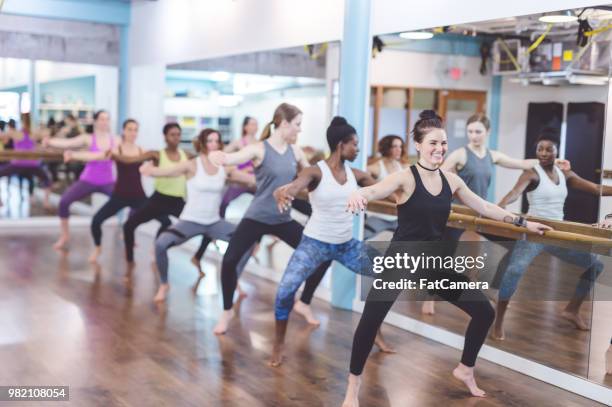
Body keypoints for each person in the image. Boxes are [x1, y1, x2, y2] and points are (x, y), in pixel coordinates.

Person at [341, 110, 551, 405]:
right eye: (433, 143)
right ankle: (353, 387)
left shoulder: (451, 181)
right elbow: (374, 190)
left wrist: (524, 223)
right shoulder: (405, 178)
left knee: (484, 312)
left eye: (443, 143)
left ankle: (465, 369)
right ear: (418, 145)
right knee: (370, 321)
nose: (439, 149)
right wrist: (358, 194)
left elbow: (485, 208)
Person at [268, 116, 394, 367]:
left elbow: (386, 190)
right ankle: (278, 344)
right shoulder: (315, 171)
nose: (358, 149)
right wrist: (285, 191)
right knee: (284, 292)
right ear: (340, 145)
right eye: (354, 144)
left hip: (346, 245)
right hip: (314, 243)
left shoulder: (356, 174)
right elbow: (296, 186)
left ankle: (375, 332)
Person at [422, 113, 570, 315]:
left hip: (482, 211)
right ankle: (428, 298)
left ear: (487, 132)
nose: (473, 136)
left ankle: (493, 288)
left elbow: (520, 163)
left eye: (478, 132)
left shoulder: (492, 155)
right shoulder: (459, 154)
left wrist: (553, 160)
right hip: (458, 213)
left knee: (513, 244)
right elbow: (437, 175)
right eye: (470, 131)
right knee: (444, 255)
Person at [209, 103, 331, 335]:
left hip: (283, 219)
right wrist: (221, 156)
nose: (299, 130)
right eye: (297, 125)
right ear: (284, 124)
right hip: (257, 217)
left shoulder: (295, 151)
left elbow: (312, 176)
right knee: (229, 261)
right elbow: (234, 157)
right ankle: (226, 310)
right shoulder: (259, 149)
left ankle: (303, 303)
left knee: (323, 256)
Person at [492, 130, 610, 339]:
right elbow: (514, 193)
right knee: (515, 269)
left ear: (557, 151)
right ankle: (498, 321)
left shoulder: (565, 174)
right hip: (534, 234)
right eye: (540, 149)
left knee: (596, 264)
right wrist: (499, 208)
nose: (544, 153)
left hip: (557, 234)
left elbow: (596, 188)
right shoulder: (531, 173)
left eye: (549, 149)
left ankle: (572, 310)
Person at [141, 128, 256, 302]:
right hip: (190, 221)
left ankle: (234, 280)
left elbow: (250, 179)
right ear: (202, 143)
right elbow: (167, 172)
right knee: (161, 244)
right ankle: (164, 284)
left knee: (249, 242)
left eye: (216, 141)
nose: (213, 144)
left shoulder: (224, 167)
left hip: (214, 223)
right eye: (210, 141)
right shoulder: (192, 164)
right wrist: (149, 170)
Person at [63, 119, 147, 263]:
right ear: (123, 131)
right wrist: (73, 155)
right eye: (130, 129)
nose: (133, 133)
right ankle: (98, 248)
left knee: (164, 221)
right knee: (96, 221)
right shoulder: (116, 150)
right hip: (120, 195)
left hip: (139, 196)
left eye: (135, 130)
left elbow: (158, 161)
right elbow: (94, 156)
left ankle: (152, 249)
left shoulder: (142, 151)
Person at [43, 110, 120, 250]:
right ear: (96, 121)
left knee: (129, 201)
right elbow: (68, 143)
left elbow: (114, 155)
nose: (104, 122)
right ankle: (65, 235)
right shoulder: (88, 138)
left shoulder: (116, 140)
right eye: (102, 119)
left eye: (107, 119)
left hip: (108, 182)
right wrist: (50, 141)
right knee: (64, 202)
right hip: (88, 180)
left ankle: (126, 231)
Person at [120, 122, 188, 264]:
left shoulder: (186, 155)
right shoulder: (157, 155)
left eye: (178, 134)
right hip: (158, 200)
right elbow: (132, 159)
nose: (176, 138)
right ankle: (129, 260)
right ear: (165, 137)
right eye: (172, 135)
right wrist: (114, 155)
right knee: (129, 225)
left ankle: (158, 248)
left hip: (178, 201)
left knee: (203, 227)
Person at [0, 113, 52, 208]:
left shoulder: (15, 133)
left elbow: (3, 137)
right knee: (47, 179)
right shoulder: (34, 133)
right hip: (32, 164)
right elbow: (47, 133)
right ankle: (46, 202)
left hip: (18, 164)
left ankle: (0, 201)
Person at [363, 135, 408, 240]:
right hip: (378, 216)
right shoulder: (376, 168)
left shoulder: (404, 168)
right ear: (387, 148)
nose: (399, 150)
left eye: (400, 147)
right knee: (362, 239)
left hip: (398, 217)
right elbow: (362, 176)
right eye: (395, 146)